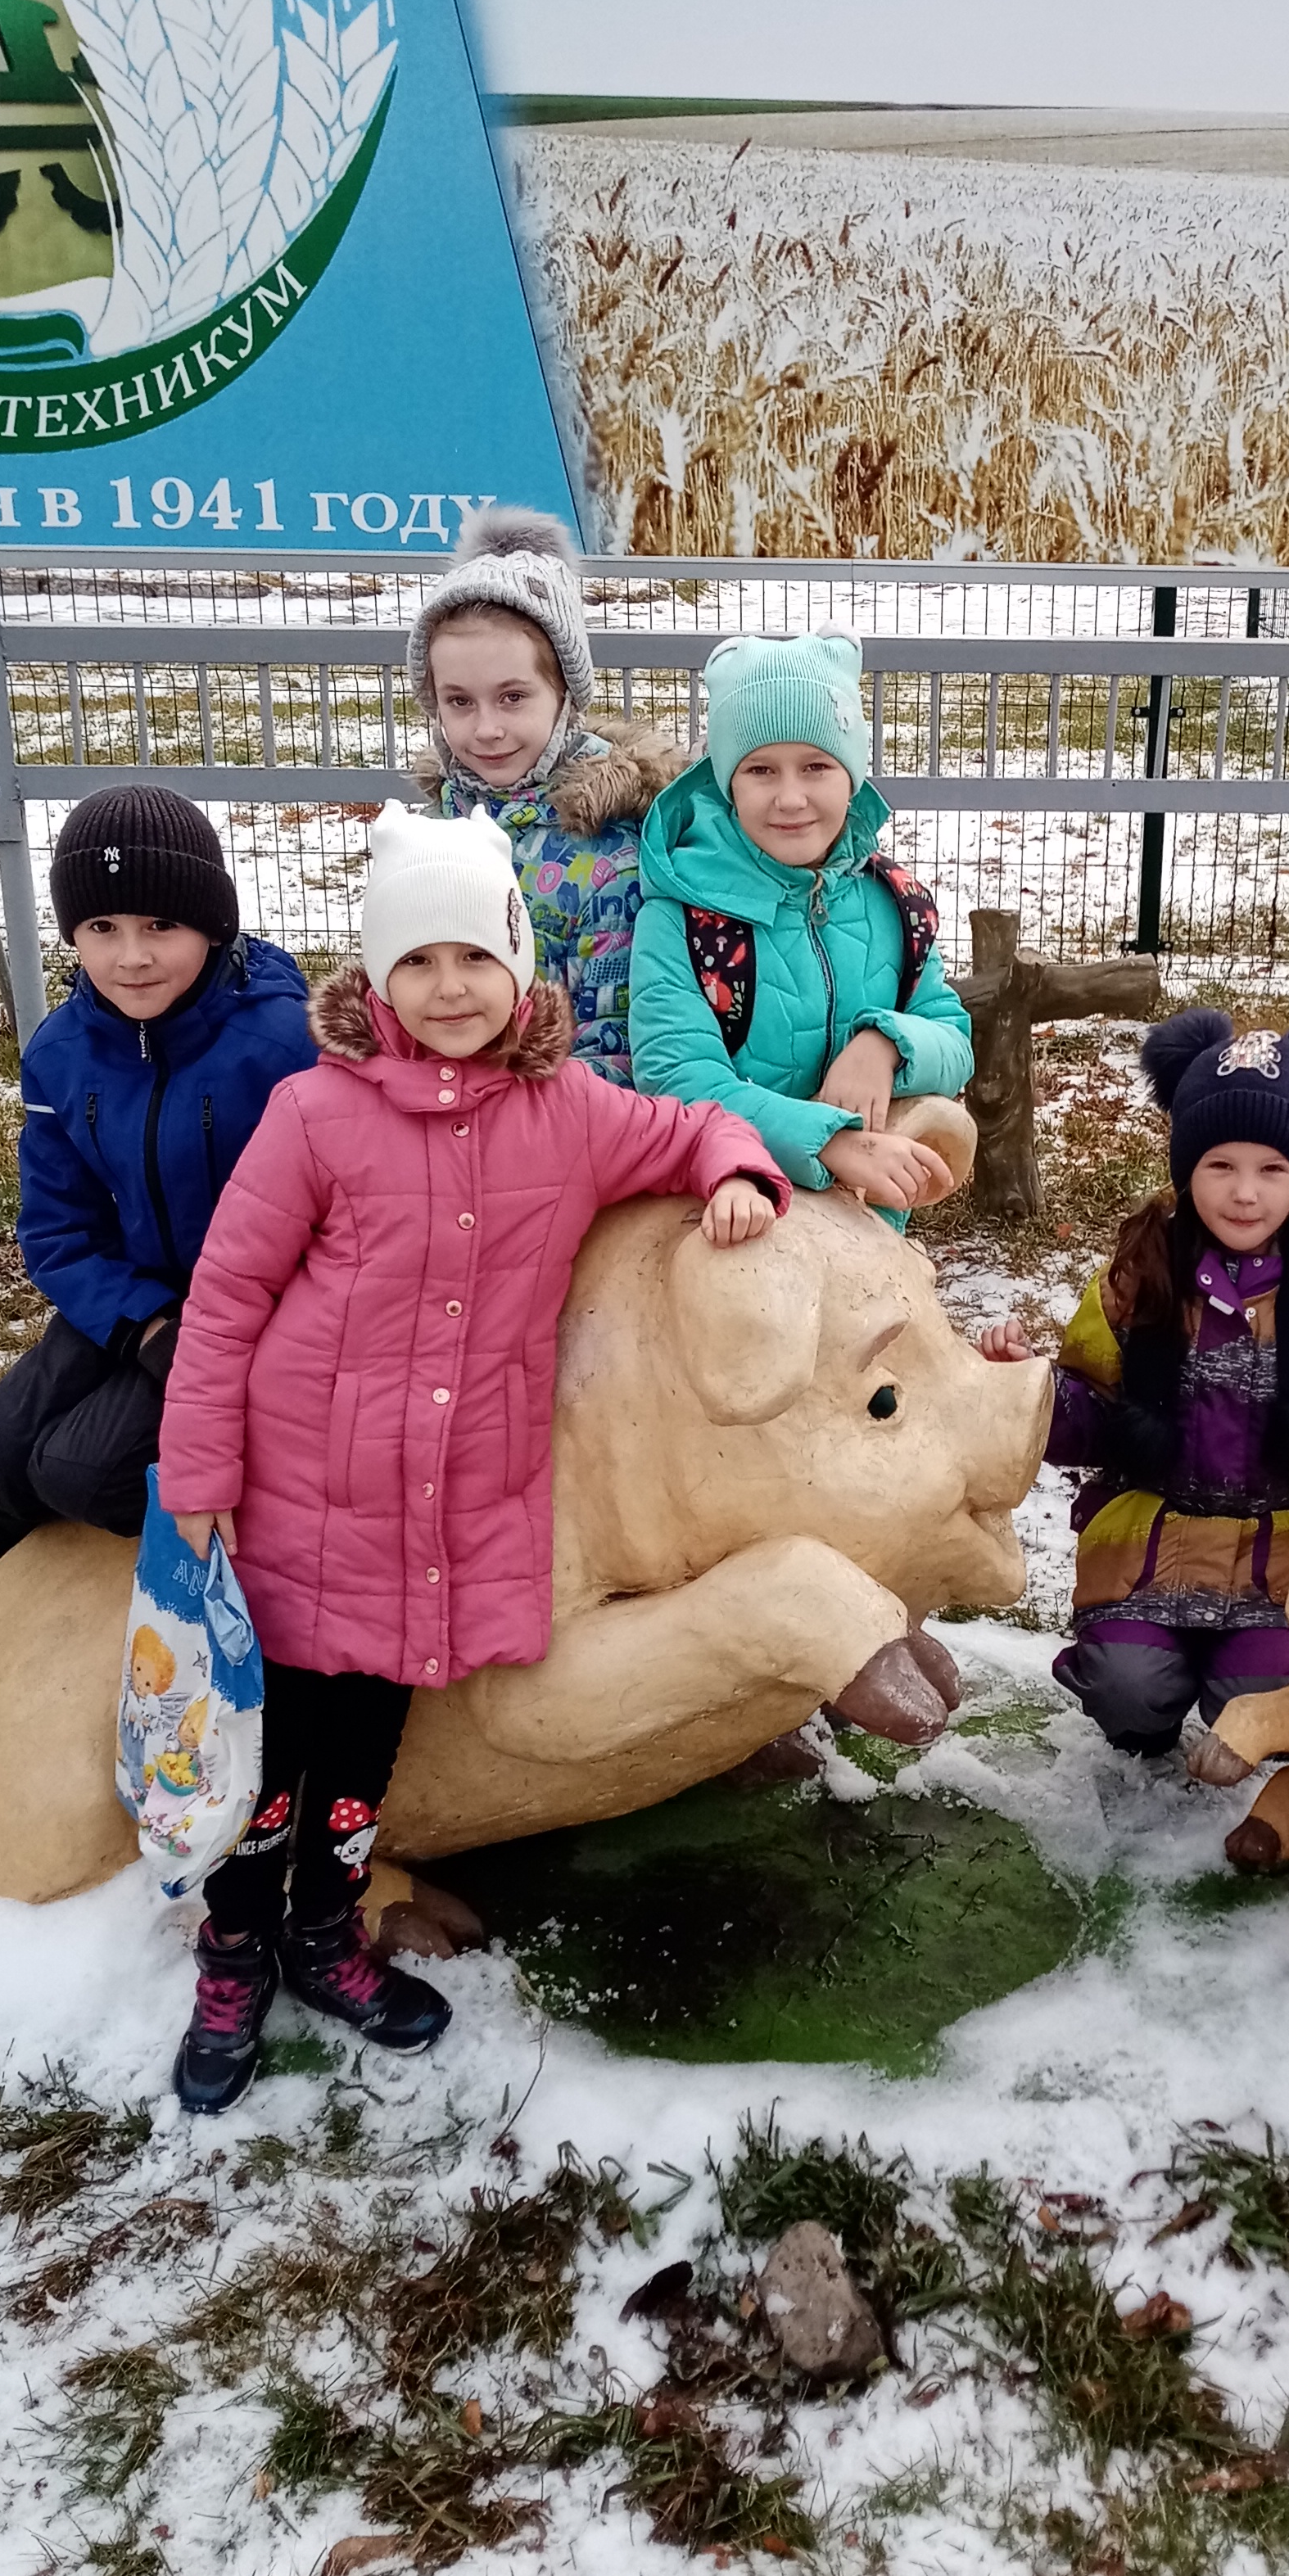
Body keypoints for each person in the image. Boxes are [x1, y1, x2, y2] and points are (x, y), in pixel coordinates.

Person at [154, 806, 786, 2114]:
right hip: (298, 1489)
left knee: (364, 1748)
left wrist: (739, 1167)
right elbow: (224, 1299)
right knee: (270, 1750)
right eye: (417, 964)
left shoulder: (568, 1111)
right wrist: (200, 1475)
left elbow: (681, 1130)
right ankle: (234, 1947)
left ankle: (327, 1934)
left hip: (436, 1512)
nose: (449, 990)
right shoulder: (316, 1115)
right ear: (377, 980)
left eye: (474, 960)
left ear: (520, 965)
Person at [982, 1008, 1289, 1757]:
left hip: (1285, 1565)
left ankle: (1251, 1714)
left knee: (1267, 1704)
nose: (1246, 1193)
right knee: (1128, 1688)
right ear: (1187, 1170)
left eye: (1272, 1170)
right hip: (1149, 1551)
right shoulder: (1134, 1287)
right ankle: (1144, 1717)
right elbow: (1087, 1409)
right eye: (1221, 1167)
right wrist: (1026, 1392)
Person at [0, 783, 316, 1597]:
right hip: (126, 1303)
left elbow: (333, 1213)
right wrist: (140, 1324)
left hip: (246, 1315)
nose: (132, 955)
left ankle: (249, 1502)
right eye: (103, 928)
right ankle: (8, 1498)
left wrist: (220, 1329)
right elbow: (58, 1230)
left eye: (161, 925)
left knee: (82, 1471)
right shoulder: (63, 1053)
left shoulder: (283, 1045)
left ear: (213, 922)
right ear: (74, 935)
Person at [629, 630, 975, 1215]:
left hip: (866, 1221)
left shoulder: (893, 904)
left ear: (853, 776)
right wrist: (828, 1139)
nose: (790, 799)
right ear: (726, 782)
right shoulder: (682, 921)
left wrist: (883, 1043)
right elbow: (678, 1081)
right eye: (761, 770)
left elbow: (953, 1035)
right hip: (733, 1204)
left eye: (815, 766)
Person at [405, 507, 677, 1086]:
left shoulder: (607, 863)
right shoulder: (425, 836)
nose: (486, 729)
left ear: (564, 696)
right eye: (459, 701)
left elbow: (614, 1049)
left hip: (551, 1137)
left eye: (512, 698)